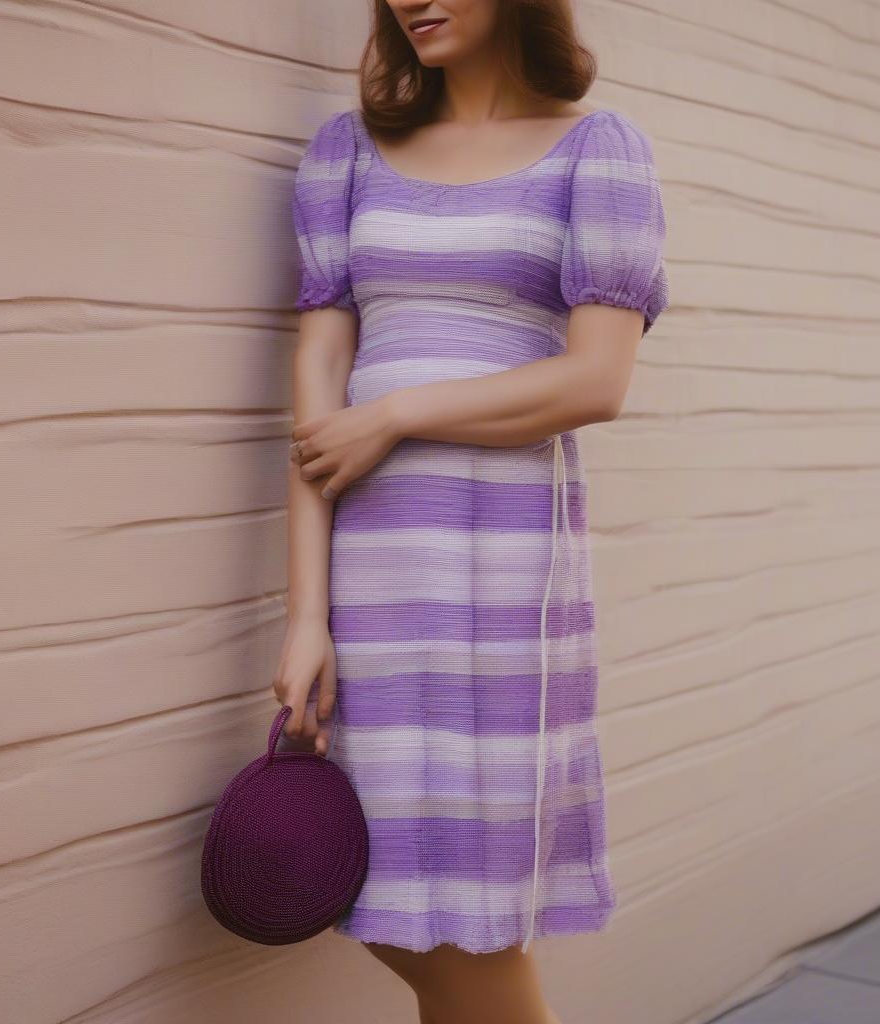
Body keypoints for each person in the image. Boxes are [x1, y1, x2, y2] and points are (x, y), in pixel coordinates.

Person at [279, 1, 668, 1020]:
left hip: (502, 573)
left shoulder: (599, 150)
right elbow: (317, 392)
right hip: (367, 571)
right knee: (374, 885)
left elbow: (594, 382)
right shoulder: (344, 155)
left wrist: (397, 413)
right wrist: (304, 614)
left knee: (464, 916)